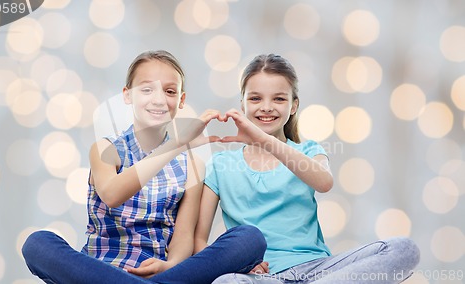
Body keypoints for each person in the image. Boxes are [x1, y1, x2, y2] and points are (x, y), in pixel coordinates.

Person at [22, 50, 266, 284]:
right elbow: (112, 195)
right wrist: (176, 145)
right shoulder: (106, 149)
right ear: (127, 95)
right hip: (99, 270)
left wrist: (171, 266)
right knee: (37, 243)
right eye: (147, 89)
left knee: (250, 239)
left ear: (181, 100)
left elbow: (184, 236)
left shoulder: (192, 166)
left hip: (161, 272)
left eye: (169, 91)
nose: (159, 99)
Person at [194, 54, 420, 283]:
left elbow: (324, 183)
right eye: (255, 99)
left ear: (294, 106)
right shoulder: (220, 164)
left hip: (319, 271)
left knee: (404, 249)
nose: (266, 107)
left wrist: (264, 140)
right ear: (242, 103)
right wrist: (238, 264)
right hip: (261, 278)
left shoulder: (308, 151)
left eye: (279, 99)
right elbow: (199, 240)